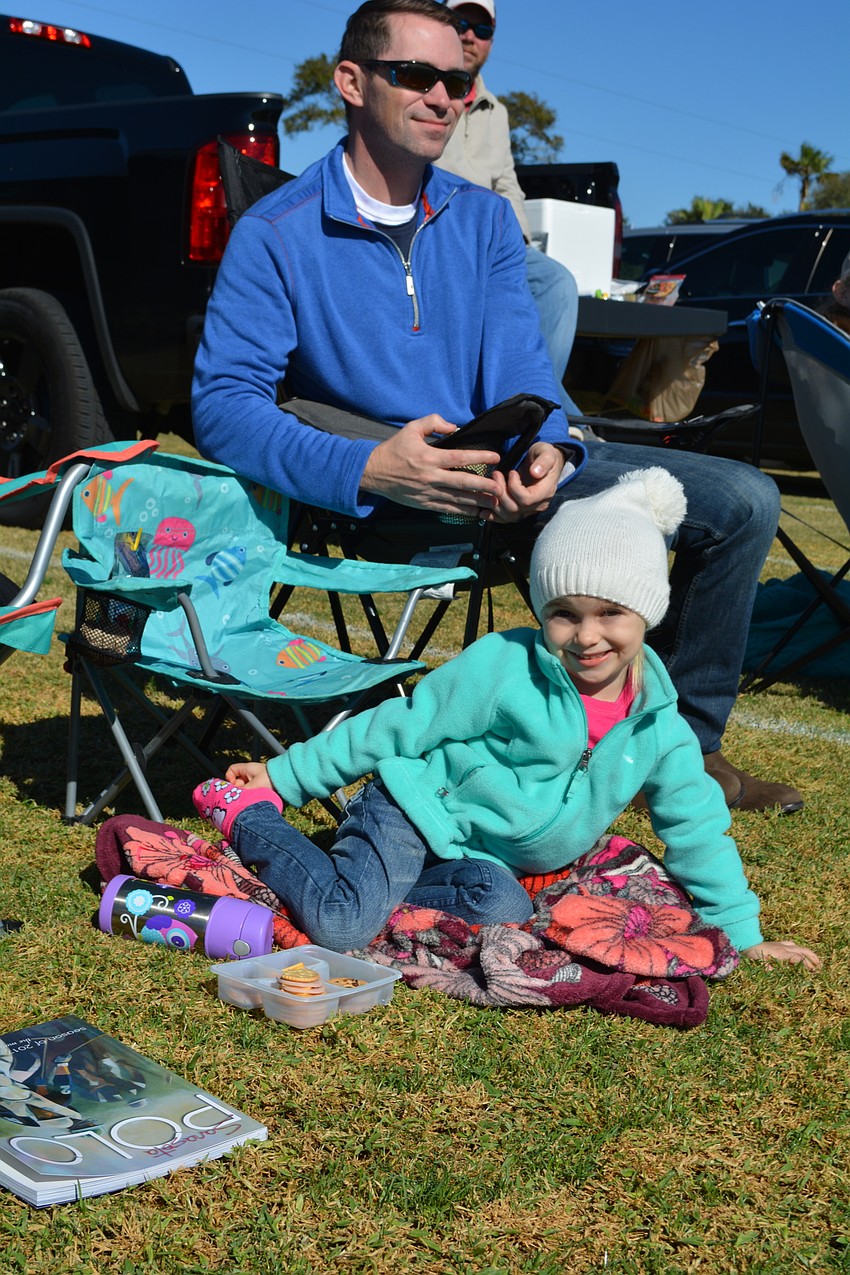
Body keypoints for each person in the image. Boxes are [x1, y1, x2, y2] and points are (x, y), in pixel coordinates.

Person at [192, 0, 802, 813]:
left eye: (459, 80)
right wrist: (370, 467)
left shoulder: (482, 221)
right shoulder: (276, 232)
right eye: (416, 74)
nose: (444, 96)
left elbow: (525, 375)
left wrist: (553, 448)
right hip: (374, 492)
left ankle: (684, 754)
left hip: (507, 475)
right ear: (350, 81)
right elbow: (224, 405)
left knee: (745, 500)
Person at [192, 467, 819, 972]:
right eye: (564, 613)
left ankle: (366, 882)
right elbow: (399, 725)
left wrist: (741, 933)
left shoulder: (660, 726)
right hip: (413, 810)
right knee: (342, 924)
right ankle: (244, 818)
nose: (586, 636)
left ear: (648, 612)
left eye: (611, 613)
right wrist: (284, 778)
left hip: (478, 860)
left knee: (504, 909)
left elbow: (698, 827)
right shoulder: (504, 666)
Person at [435, 0, 580, 414]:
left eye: (482, 30)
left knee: (557, 284)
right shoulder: (425, 91)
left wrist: (516, 241)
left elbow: (507, 183)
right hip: (443, 234)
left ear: (492, 41)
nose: (469, 36)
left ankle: (528, 407)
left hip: (493, 238)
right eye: (461, 23)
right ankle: (549, 416)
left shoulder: (496, 111)